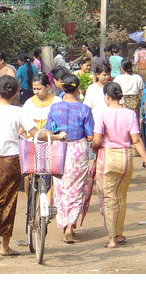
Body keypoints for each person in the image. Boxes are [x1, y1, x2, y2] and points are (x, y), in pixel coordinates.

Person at [0, 75, 44, 259]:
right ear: (15, 93)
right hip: (12, 160)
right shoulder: (19, 112)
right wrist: (57, 136)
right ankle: (5, 246)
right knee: (9, 200)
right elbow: (36, 134)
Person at [91, 82, 146, 248]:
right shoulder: (130, 114)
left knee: (109, 198)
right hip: (126, 157)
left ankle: (112, 238)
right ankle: (118, 234)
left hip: (108, 157)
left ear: (107, 96)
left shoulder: (101, 112)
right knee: (121, 197)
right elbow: (136, 140)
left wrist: (93, 147)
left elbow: (97, 139)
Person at [45, 73, 94, 244]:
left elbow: (49, 131)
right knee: (77, 187)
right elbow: (90, 136)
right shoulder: (84, 109)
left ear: (62, 87)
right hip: (78, 150)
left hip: (59, 147)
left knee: (60, 187)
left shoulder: (54, 108)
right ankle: (70, 226)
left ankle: (64, 221)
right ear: (78, 89)